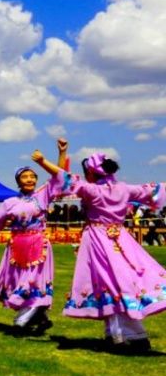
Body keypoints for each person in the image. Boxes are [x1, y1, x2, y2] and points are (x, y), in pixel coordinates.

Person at [34, 147, 166, 352]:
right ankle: (118, 334)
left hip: (98, 238)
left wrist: (42, 161)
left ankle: (126, 337)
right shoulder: (125, 189)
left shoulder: (92, 190)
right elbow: (156, 190)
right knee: (119, 280)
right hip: (120, 238)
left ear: (91, 173)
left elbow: (64, 177)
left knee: (110, 283)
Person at [0, 139, 68, 335]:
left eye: (32, 176)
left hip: (38, 244)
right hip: (16, 246)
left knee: (31, 282)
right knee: (17, 281)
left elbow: (59, 176)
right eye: (25, 177)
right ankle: (40, 317)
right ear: (18, 181)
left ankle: (23, 319)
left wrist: (62, 154)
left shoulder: (43, 195)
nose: (29, 179)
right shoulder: (10, 202)